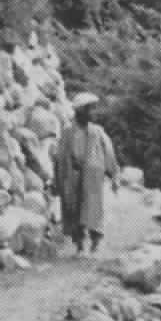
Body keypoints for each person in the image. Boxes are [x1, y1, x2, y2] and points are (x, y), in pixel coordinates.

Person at [53, 93, 119, 254]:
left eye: (92, 110)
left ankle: (95, 243)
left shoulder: (97, 131)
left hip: (92, 177)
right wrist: (57, 180)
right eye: (89, 110)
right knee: (73, 210)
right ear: (79, 111)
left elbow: (108, 152)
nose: (92, 113)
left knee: (93, 210)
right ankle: (79, 244)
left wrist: (114, 175)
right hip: (73, 176)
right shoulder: (68, 131)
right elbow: (60, 156)